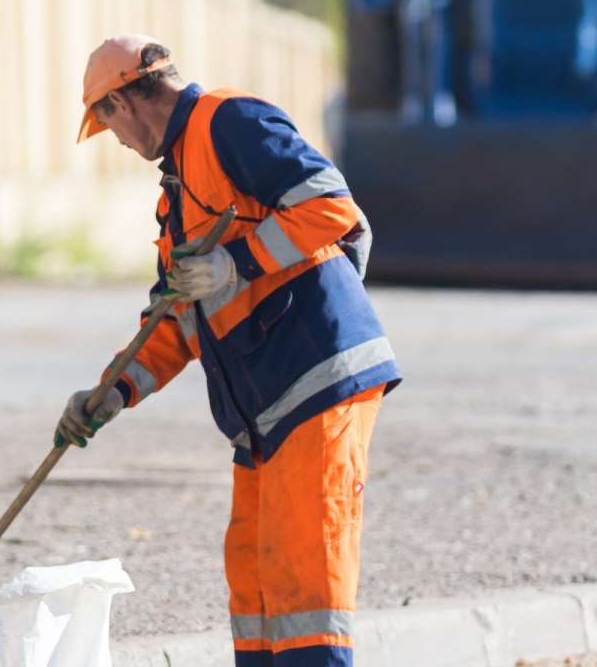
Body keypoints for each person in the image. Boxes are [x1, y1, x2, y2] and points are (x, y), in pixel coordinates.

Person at [57, 34, 400, 667]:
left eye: (109, 127)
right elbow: (173, 318)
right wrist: (109, 393)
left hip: (316, 378)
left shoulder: (228, 121)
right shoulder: (177, 195)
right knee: (255, 580)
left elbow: (331, 206)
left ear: (122, 104)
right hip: (264, 409)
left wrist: (235, 263)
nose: (121, 144)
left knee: (305, 580)